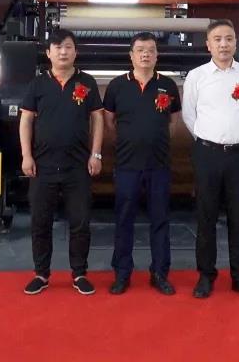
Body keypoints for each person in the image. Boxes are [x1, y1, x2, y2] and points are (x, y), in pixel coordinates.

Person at [19, 29, 104, 296]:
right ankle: (41, 274)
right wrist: (26, 155)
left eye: (68, 47)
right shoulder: (37, 84)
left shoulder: (86, 82)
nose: (63, 52)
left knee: (80, 222)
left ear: (75, 51)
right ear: (49, 53)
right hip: (42, 166)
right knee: (40, 222)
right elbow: (26, 120)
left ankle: (79, 273)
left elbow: (98, 119)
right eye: (57, 47)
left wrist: (96, 154)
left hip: (78, 166)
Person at [182, 19, 239, 300]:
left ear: (236, 43)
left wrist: (234, 137)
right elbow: (189, 116)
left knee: (238, 218)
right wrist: (209, 139)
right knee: (206, 216)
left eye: (229, 39)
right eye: (217, 39)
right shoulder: (197, 76)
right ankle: (206, 275)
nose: (224, 44)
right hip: (207, 154)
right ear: (208, 44)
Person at [102, 32, 181, 296]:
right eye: (140, 50)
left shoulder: (168, 85)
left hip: (159, 165)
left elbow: (173, 122)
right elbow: (109, 122)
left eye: (150, 50)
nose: (145, 54)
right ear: (131, 55)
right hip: (127, 165)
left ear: (157, 55)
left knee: (160, 220)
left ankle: (159, 273)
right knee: (124, 220)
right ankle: (122, 273)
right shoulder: (117, 86)